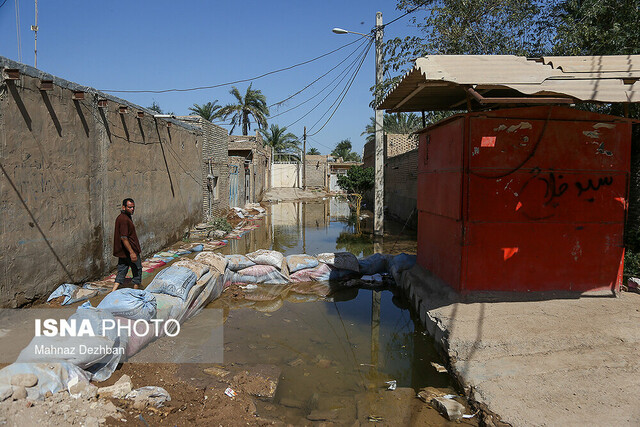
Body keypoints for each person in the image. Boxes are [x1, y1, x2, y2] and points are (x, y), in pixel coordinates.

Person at [112, 198, 142, 292]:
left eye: (133, 207)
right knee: (137, 271)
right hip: (130, 250)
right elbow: (124, 238)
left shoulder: (124, 217)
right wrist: (132, 252)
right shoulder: (124, 219)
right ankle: (135, 292)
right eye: (130, 207)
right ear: (124, 207)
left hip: (123, 252)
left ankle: (113, 292)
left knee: (121, 271)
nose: (132, 209)